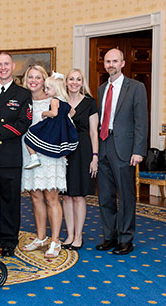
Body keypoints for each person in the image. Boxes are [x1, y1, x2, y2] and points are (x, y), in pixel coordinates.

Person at [96, 48, 148, 255]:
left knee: (126, 196)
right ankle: (110, 237)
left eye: (115, 61)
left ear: (123, 63)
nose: (111, 65)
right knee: (105, 197)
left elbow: (141, 122)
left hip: (125, 150)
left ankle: (126, 239)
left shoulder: (136, 87)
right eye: (108, 61)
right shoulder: (101, 89)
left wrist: (138, 150)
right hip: (103, 147)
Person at [0, 52, 32, 257]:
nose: (3, 68)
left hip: (10, 157)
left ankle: (9, 241)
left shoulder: (23, 93)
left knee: (10, 203)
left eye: (6, 64)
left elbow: (23, 123)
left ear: (13, 67)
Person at [19, 66, 66, 258]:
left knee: (51, 197)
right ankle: (41, 237)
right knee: (35, 196)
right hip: (28, 152)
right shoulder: (24, 100)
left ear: (44, 80)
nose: (33, 80)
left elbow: (64, 125)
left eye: (38, 77)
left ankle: (55, 241)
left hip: (49, 154)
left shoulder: (53, 101)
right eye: (30, 76)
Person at [61, 68, 99, 250]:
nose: (74, 82)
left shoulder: (90, 103)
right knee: (67, 196)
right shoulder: (60, 102)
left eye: (78, 79)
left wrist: (95, 157)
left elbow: (94, 132)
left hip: (83, 152)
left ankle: (78, 235)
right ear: (66, 82)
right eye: (71, 79)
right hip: (64, 153)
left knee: (79, 195)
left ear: (82, 82)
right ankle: (69, 234)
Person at [23, 71, 78, 169]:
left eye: (48, 88)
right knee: (61, 142)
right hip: (62, 128)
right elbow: (73, 112)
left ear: (56, 89)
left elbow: (54, 113)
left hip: (53, 125)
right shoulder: (64, 102)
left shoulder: (54, 100)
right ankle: (64, 159)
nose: (46, 91)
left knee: (29, 135)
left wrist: (44, 113)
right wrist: (66, 119)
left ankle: (34, 157)